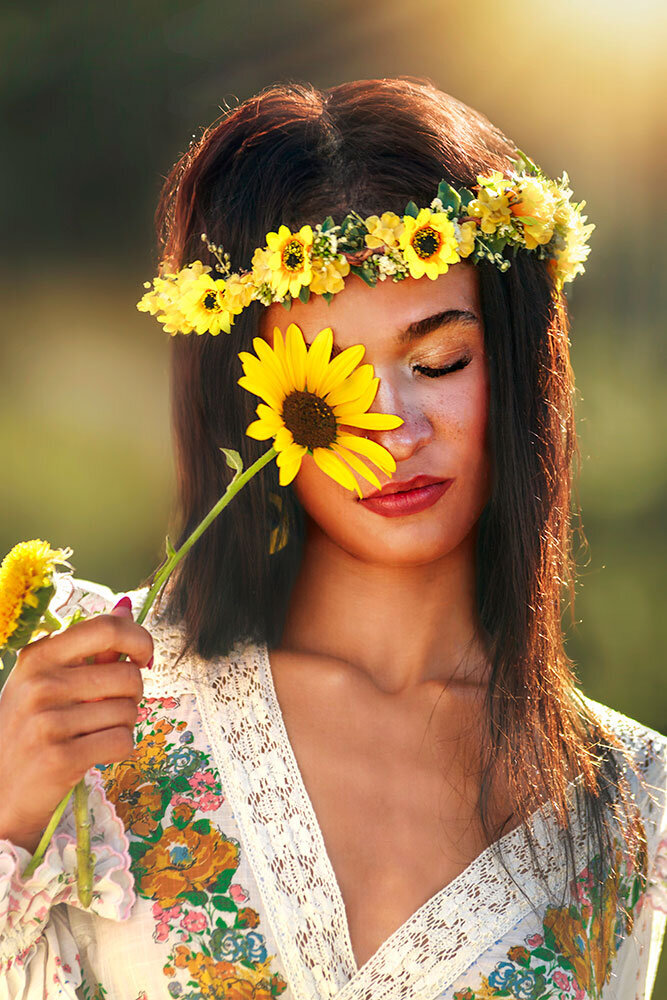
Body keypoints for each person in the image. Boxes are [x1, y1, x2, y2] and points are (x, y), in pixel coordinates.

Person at [0, 77, 665, 1000]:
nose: (389, 426)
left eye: (437, 361)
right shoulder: (91, 711)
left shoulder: (625, 805)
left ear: (517, 362)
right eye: (329, 382)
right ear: (252, 397)